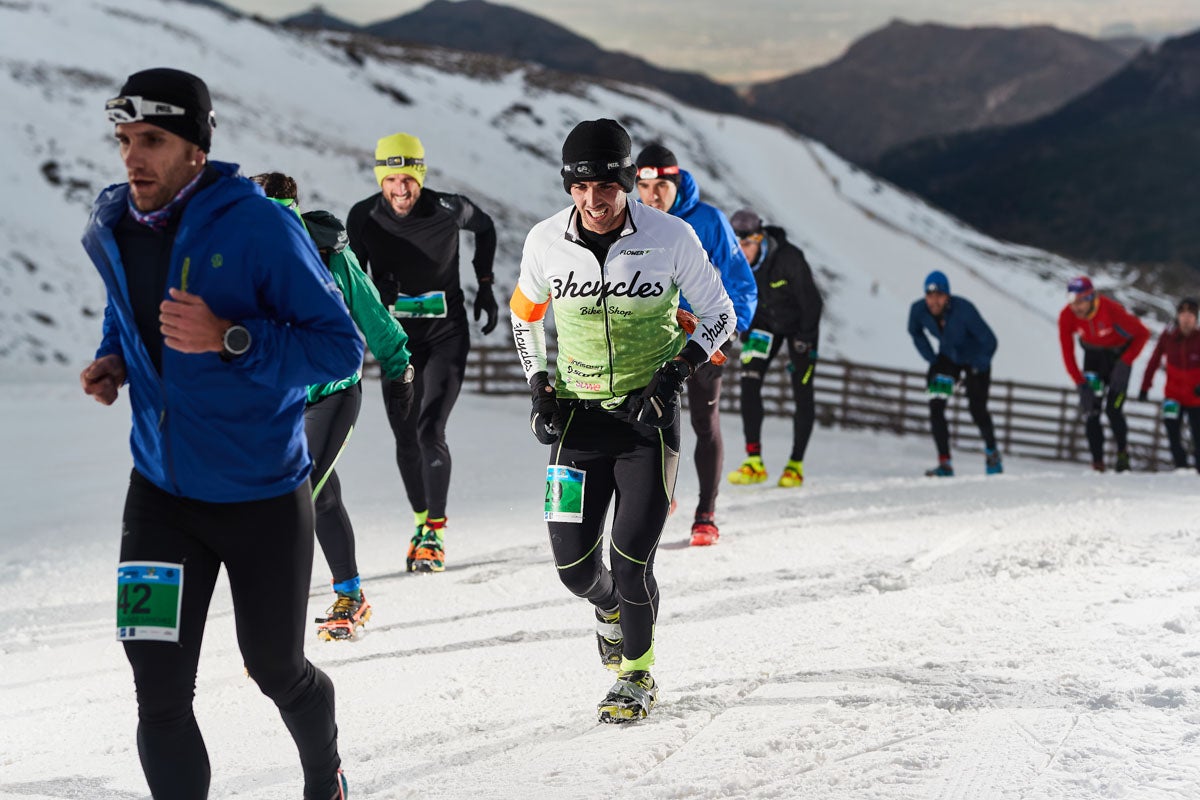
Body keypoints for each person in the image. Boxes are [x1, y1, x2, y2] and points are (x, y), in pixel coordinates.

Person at [81, 69, 361, 800]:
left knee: (275, 668)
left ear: (196, 149)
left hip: (262, 496)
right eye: (124, 140)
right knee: (157, 689)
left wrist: (231, 338)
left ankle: (324, 774)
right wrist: (116, 358)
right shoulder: (115, 223)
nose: (132, 158)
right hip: (160, 497)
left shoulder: (261, 226)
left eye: (152, 140)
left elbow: (339, 350)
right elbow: (129, 307)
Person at [510, 119, 735, 723]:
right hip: (578, 420)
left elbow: (720, 313)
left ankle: (636, 674)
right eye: (580, 188)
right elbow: (524, 316)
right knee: (573, 569)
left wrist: (676, 374)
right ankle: (608, 608)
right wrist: (538, 385)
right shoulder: (544, 241)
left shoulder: (671, 235)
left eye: (606, 187)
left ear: (628, 182)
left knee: (632, 559)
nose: (594, 201)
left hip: (647, 421)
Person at [251, 172, 415, 639]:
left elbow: (369, 308)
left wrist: (399, 365)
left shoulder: (326, 250)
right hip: (275, 403)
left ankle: (274, 627)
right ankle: (351, 593)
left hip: (331, 392)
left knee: (296, 492)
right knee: (320, 495)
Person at [346, 132, 499, 572]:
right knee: (406, 438)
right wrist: (377, 293)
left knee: (430, 429)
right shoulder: (363, 217)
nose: (401, 189)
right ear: (380, 178)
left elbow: (486, 227)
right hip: (396, 345)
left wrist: (485, 286)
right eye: (391, 179)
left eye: (409, 178)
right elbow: (354, 279)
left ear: (421, 176)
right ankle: (420, 523)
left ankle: (435, 530)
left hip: (446, 336)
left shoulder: (448, 208)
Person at [634, 143, 757, 546]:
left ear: (677, 182)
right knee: (647, 416)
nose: (652, 196)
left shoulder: (708, 220)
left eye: (661, 187)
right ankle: (661, 492)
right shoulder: (634, 220)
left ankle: (705, 513)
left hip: (704, 337)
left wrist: (730, 328)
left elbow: (740, 278)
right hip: (653, 336)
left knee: (704, 422)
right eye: (644, 187)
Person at [724, 208, 823, 488]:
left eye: (747, 244)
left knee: (801, 388)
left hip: (799, 327)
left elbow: (812, 303)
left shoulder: (789, 258)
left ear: (759, 239)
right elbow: (736, 300)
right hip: (764, 325)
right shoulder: (735, 263)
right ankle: (754, 461)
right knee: (748, 380)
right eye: (736, 244)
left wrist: (805, 339)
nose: (742, 251)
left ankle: (795, 465)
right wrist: (744, 331)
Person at [906, 270, 1001, 477]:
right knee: (936, 404)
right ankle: (945, 463)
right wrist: (931, 359)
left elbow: (990, 341)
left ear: (948, 295)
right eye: (930, 295)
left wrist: (977, 368)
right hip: (949, 359)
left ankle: (992, 453)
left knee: (977, 409)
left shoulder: (964, 310)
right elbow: (914, 331)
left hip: (976, 361)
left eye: (939, 295)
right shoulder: (919, 310)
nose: (934, 301)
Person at [1058, 275, 1150, 472]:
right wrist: (1080, 383)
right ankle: (1097, 462)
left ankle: (1122, 453)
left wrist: (1125, 362)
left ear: (1091, 297)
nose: (1075, 307)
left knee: (1113, 410)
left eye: (1080, 302)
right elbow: (1067, 352)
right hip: (1093, 359)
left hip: (1118, 360)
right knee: (1091, 410)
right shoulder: (1067, 315)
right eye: (1071, 301)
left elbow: (1143, 334)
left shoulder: (1111, 310)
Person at [1138, 297, 1200, 472]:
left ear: (1196, 318)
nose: (1186, 319)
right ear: (1178, 317)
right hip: (1173, 396)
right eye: (1183, 314)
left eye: (1190, 315)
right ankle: (1181, 468)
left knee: (1198, 437)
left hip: (1196, 399)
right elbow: (1154, 360)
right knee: (1172, 433)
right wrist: (1145, 386)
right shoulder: (1168, 337)